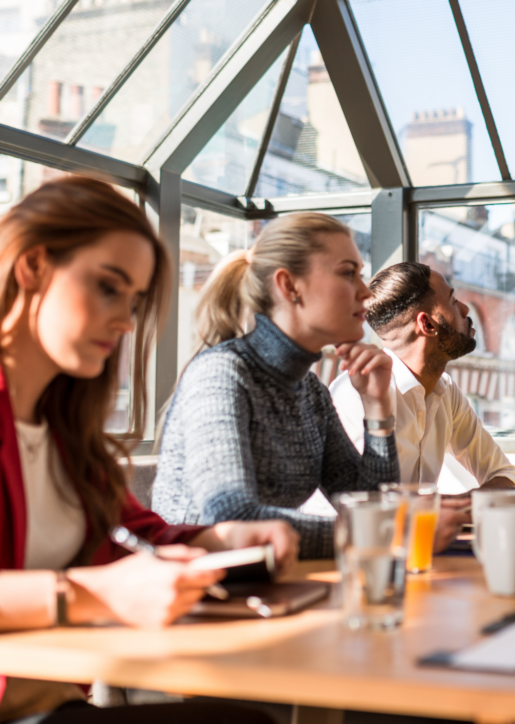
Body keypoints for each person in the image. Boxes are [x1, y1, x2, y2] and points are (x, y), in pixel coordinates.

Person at [0, 177, 297, 724]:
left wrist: (220, 539)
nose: (125, 321)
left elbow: (132, 536)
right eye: (108, 287)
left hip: (55, 705)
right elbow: (104, 580)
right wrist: (88, 595)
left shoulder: (64, 428)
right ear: (33, 266)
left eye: (134, 300)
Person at [152, 214, 465, 558]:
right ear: (289, 286)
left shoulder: (310, 391)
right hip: (199, 593)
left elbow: (366, 503)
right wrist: (386, 534)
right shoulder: (221, 373)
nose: (365, 291)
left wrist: (378, 408)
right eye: (349, 273)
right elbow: (233, 518)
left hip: (271, 583)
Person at [330, 262, 515, 522]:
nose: (465, 309)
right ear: (427, 324)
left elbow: (504, 475)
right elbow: (370, 514)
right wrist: (510, 500)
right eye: (453, 302)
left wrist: (477, 504)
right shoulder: (356, 395)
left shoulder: (445, 390)